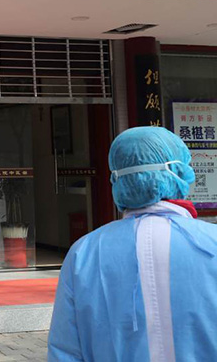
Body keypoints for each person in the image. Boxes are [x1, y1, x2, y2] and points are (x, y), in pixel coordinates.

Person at [48, 126, 217, 361]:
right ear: (180, 171)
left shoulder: (84, 252)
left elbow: (65, 351)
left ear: (117, 179)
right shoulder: (212, 242)